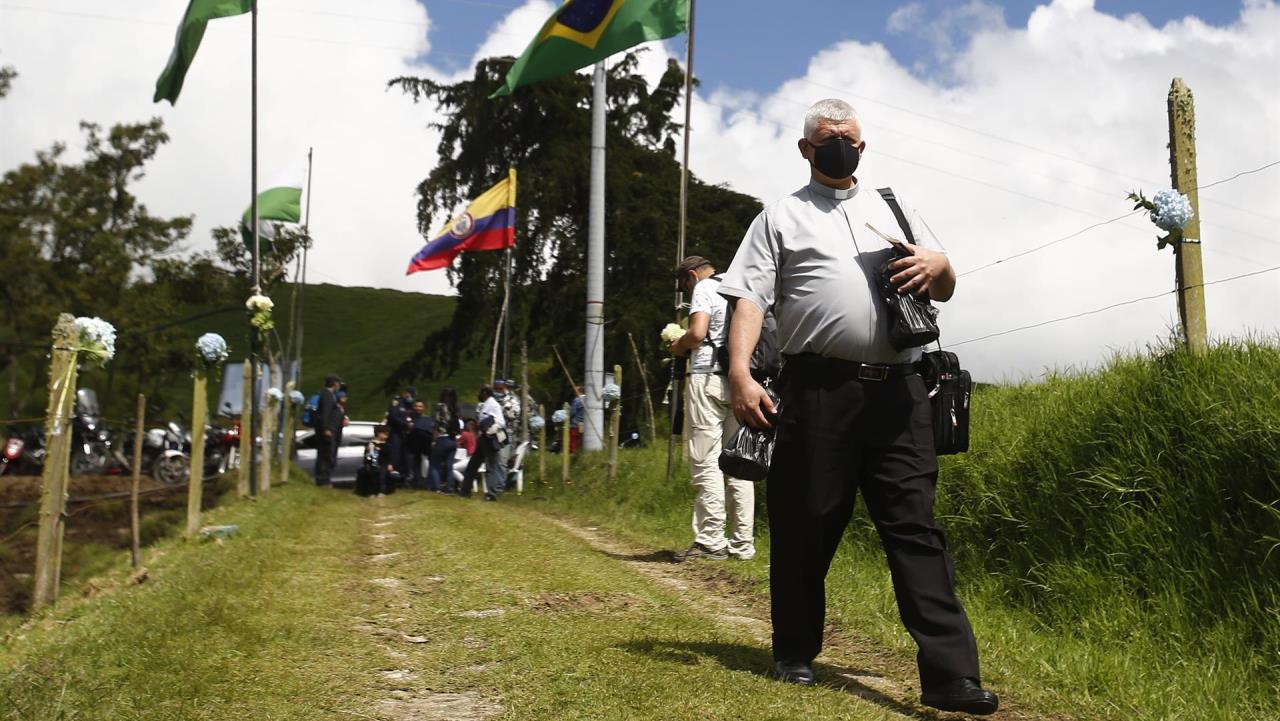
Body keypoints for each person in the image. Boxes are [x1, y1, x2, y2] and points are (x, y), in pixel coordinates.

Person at [717, 98, 998, 714]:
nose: (838, 145)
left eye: (847, 137)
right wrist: (740, 373)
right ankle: (793, 650)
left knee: (916, 528)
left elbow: (944, 286)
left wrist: (941, 264)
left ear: (863, 147)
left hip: (901, 392)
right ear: (805, 149)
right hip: (818, 389)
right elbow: (749, 301)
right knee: (807, 520)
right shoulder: (780, 216)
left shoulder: (894, 208)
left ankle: (952, 677)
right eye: (825, 138)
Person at [668, 255, 754, 563]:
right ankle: (742, 544)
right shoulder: (739, 284)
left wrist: (678, 345)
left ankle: (710, 541)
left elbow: (697, 333)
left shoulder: (704, 289)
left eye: (685, 285)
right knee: (739, 462)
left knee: (706, 460)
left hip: (708, 378)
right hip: (742, 380)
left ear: (691, 275)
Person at [460, 386, 506, 501]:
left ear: (485, 393)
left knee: (491, 466)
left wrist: (490, 430)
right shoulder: (485, 404)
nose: (479, 395)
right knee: (473, 464)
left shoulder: (494, 405)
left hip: (490, 439)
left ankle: (492, 494)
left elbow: (501, 422)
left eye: (481, 393)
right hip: (483, 438)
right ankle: (465, 490)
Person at [429, 387, 461, 494]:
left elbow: (435, 425)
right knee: (449, 466)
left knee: (435, 464)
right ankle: (449, 488)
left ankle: (436, 487)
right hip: (452, 440)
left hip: (442, 438)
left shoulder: (440, 407)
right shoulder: (455, 409)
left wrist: (434, 440)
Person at [313, 374, 344, 486]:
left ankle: (324, 479)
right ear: (335, 383)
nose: (339, 386)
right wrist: (326, 428)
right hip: (327, 431)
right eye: (339, 383)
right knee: (325, 455)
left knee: (327, 455)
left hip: (331, 430)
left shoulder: (330, 395)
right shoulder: (327, 395)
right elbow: (326, 412)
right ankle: (322, 480)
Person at [355, 424, 395, 497]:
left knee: (382, 476)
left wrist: (390, 464)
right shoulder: (371, 444)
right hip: (372, 464)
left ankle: (381, 491)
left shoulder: (387, 445)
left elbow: (390, 456)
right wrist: (366, 463)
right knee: (371, 476)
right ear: (378, 433)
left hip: (383, 464)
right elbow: (367, 455)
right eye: (384, 433)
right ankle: (371, 492)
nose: (386, 435)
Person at [408, 400, 435, 490]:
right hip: (414, 443)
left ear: (423, 408)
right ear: (414, 407)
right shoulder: (410, 417)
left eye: (420, 406)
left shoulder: (427, 419)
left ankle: (428, 482)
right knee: (416, 461)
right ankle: (417, 482)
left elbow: (432, 431)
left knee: (428, 461)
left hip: (425, 443)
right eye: (417, 406)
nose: (418, 408)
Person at [568, 385, 585, 453]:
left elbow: (573, 412)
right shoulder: (588, 399)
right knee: (581, 439)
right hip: (584, 423)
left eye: (575, 391)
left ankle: (573, 453)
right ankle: (579, 452)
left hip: (575, 423)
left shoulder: (576, 400)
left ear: (579, 391)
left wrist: (568, 415)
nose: (574, 392)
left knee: (573, 440)